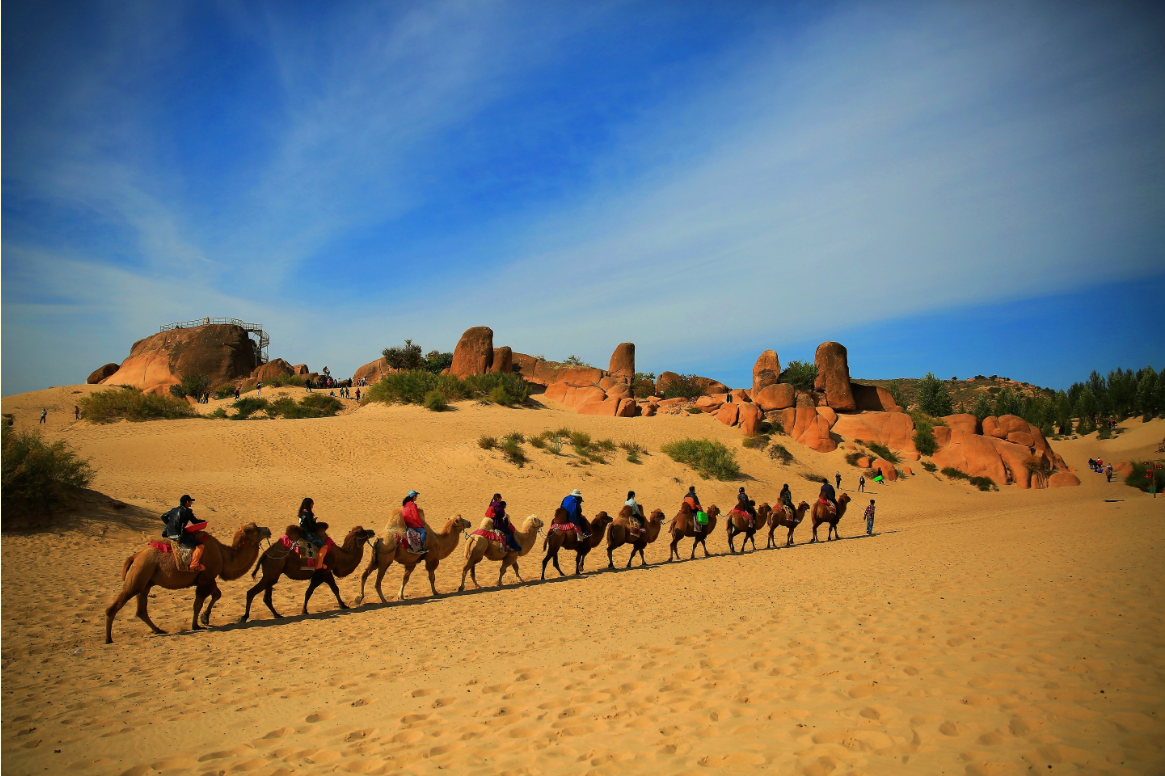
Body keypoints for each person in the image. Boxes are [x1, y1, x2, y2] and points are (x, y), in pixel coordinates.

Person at [161, 495, 207, 572]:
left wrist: (169, 525)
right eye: (190, 501)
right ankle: (194, 564)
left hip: (168, 533)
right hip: (179, 535)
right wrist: (204, 521)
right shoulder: (187, 511)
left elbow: (163, 517)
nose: (191, 503)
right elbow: (195, 522)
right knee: (200, 546)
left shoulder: (174, 509)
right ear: (187, 502)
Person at [298, 497, 329, 570]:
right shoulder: (308, 514)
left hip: (303, 534)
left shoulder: (301, 514)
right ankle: (319, 564)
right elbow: (311, 527)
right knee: (324, 546)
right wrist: (314, 522)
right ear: (309, 504)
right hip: (309, 535)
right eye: (312, 504)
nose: (312, 505)